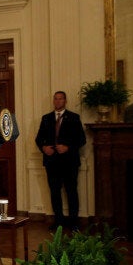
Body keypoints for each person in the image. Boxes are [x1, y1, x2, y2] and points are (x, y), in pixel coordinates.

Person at [35, 91, 86, 232]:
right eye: (55, 99)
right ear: (53, 101)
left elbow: (82, 140)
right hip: (52, 162)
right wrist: (44, 148)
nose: (58, 101)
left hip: (69, 162)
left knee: (71, 191)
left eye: (60, 99)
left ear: (65, 101)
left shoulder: (74, 118)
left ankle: (74, 222)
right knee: (55, 192)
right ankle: (58, 221)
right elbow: (38, 139)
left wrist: (67, 147)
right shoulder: (46, 118)